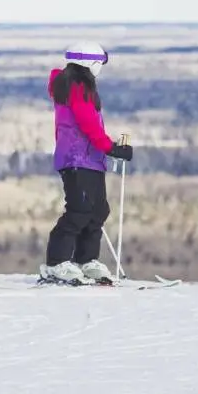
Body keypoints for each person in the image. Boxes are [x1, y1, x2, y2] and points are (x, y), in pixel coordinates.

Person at [41, 41, 133, 282]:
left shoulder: (76, 85)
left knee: (98, 210)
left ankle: (85, 259)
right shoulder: (77, 88)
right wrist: (111, 147)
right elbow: (88, 125)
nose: (100, 68)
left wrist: (107, 149)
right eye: (99, 63)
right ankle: (56, 262)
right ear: (90, 63)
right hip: (77, 158)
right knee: (79, 210)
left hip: (89, 159)